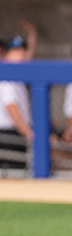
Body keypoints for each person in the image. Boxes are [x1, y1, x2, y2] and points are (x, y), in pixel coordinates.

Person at [0, 23, 37, 169]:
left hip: (17, 132)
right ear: (6, 54)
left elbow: (29, 57)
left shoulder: (18, 74)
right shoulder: (7, 78)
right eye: (16, 50)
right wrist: (29, 134)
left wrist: (33, 35)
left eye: (22, 49)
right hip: (8, 134)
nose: (21, 53)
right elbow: (12, 109)